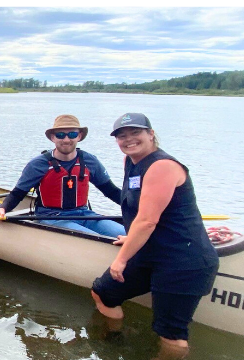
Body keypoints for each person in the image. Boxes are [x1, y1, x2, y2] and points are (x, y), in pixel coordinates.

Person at [89, 113, 219, 359]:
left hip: (183, 260)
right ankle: (114, 343)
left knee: (171, 333)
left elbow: (148, 220)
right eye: (122, 136)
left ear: (151, 134)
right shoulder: (131, 162)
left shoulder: (162, 166)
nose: (128, 140)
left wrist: (121, 259)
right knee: (103, 292)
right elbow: (140, 211)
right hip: (151, 252)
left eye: (135, 133)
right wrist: (131, 237)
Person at [0, 115, 124, 237]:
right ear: (53, 137)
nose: (66, 139)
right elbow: (17, 194)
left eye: (72, 134)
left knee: (123, 233)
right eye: (60, 135)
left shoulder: (90, 161)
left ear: (79, 136)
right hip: (50, 216)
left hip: (84, 214)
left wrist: (138, 207)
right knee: (95, 238)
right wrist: (2, 209)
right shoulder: (38, 164)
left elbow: (111, 191)